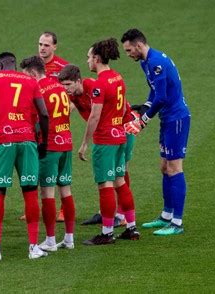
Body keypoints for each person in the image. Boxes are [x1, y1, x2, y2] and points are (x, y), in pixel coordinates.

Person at [0, 52, 49, 260]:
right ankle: (33, 247)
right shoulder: (30, 81)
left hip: (2, 140)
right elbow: (44, 114)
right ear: (14, 65)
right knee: (30, 192)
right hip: (27, 141)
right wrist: (44, 140)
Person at [121, 29, 191, 235]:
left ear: (139, 45)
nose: (128, 54)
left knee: (175, 168)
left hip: (177, 118)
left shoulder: (156, 62)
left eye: (128, 50)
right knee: (164, 167)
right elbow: (154, 93)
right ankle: (166, 215)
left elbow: (162, 98)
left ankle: (177, 223)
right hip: (167, 118)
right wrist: (145, 106)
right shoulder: (146, 62)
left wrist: (142, 120)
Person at [77, 38, 140, 245]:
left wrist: (85, 143)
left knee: (105, 185)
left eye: (88, 57)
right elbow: (123, 109)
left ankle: (106, 233)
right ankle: (131, 228)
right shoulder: (118, 77)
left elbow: (94, 116)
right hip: (120, 136)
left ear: (96, 58)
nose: (87, 61)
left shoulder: (99, 84)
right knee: (120, 181)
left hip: (105, 140)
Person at [58, 65, 127, 227]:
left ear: (78, 81)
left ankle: (121, 216)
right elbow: (71, 108)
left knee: (119, 176)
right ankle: (107, 213)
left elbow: (97, 115)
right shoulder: (74, 95)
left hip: (119, 129)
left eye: (68, 85)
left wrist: (84, 144)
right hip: (109, 132)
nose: (65, 89)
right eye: (63, 85)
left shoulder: (92, 86)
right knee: (113, 176)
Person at [20, 56, 76, 251]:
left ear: (34, 74)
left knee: (47, 193)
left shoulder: (38, 91)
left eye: (26, 76)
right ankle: (69, 238)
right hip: (66, 143)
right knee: (66, 191)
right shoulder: (59, 86)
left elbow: (36, 119)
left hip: (50, 145)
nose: (25, 80)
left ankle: (51, 240)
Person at [37, 31, 69, 221]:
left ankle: (64, 210)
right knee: (39, 167)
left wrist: (62, 115)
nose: (42, 48)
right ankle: (37, 206)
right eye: (40, 44)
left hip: (59, 125)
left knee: (60, 171)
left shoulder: (62, 67)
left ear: (55, 47)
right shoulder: (35, 67)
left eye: (46, 45)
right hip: (41, 123)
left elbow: (71, 95)